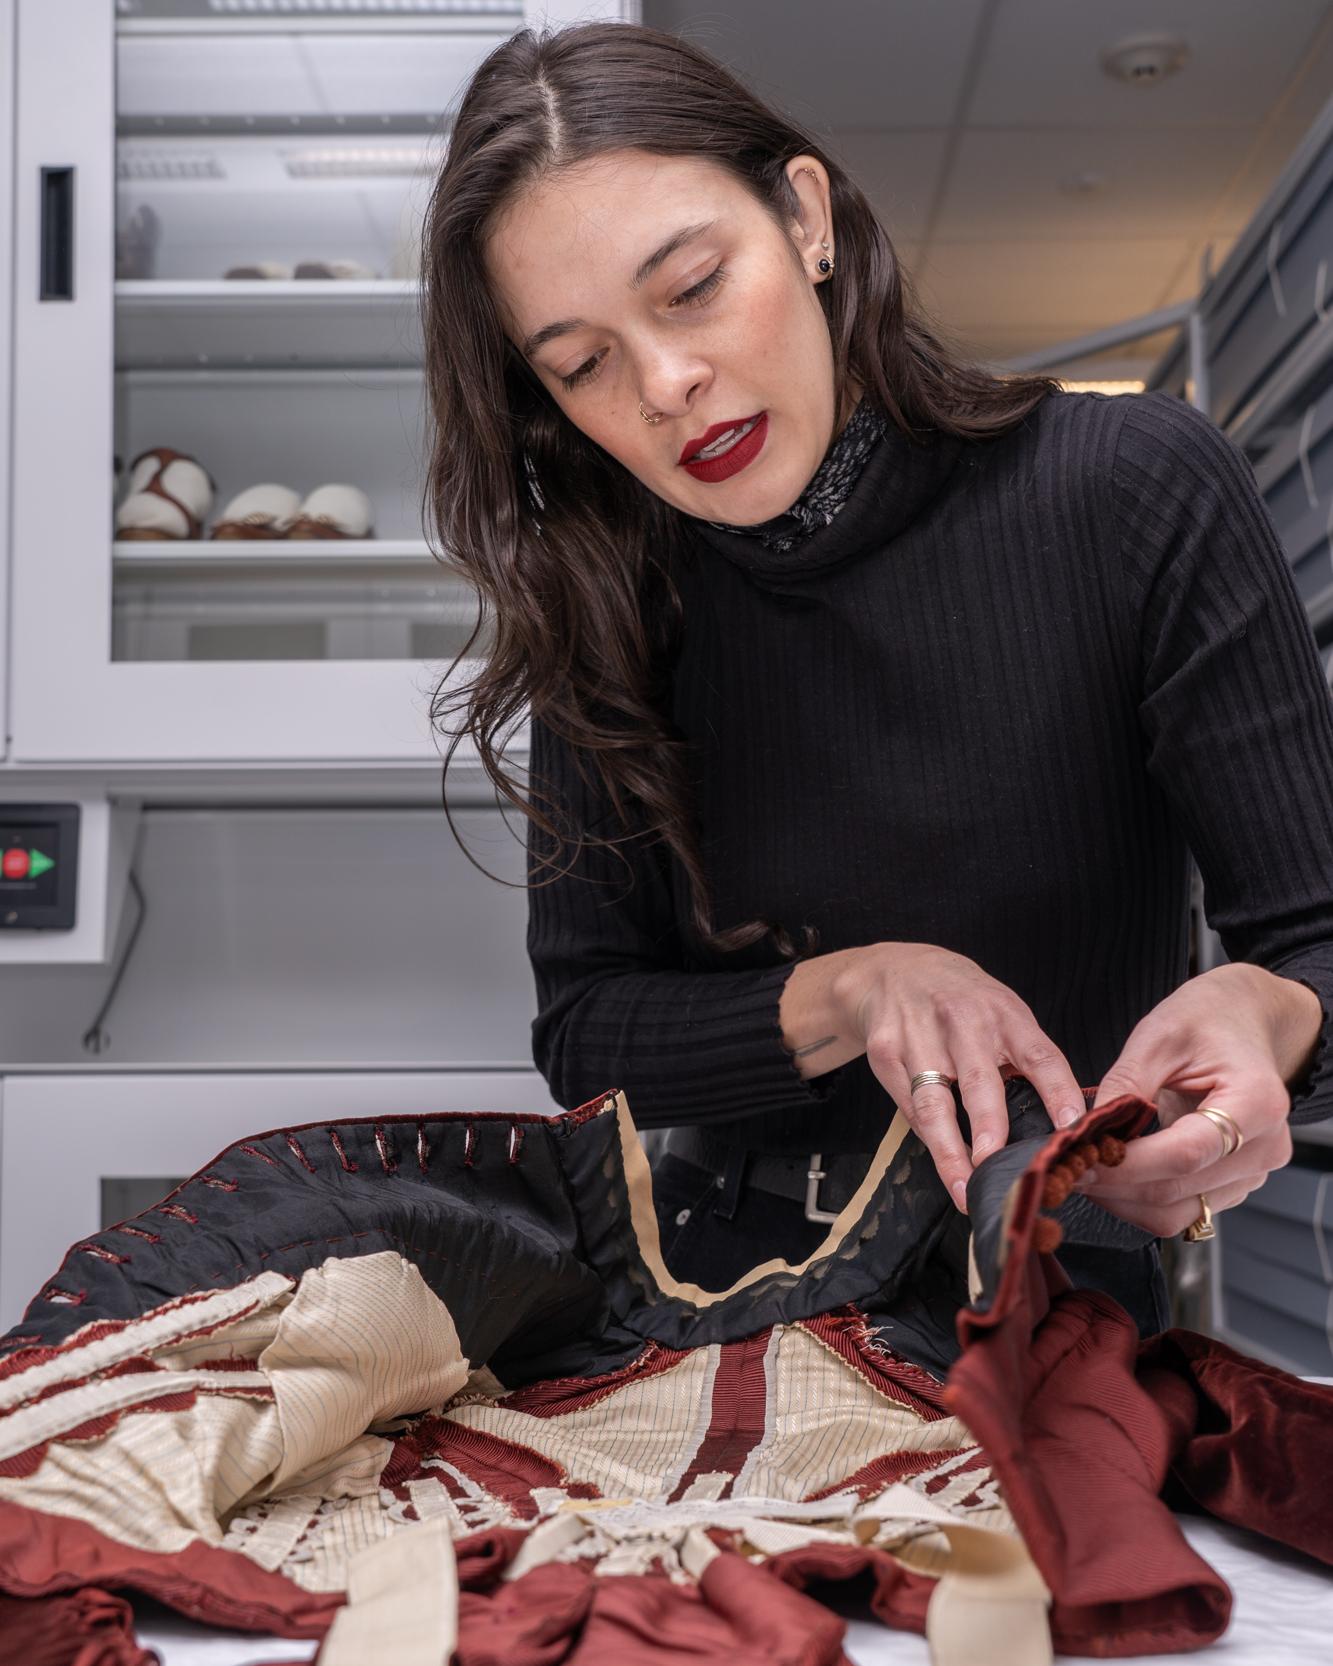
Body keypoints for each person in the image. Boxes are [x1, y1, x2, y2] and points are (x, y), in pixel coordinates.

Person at [418, 20, 1333, 1340]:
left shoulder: (1129, 489)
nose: (666, 382)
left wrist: (1262, 1005)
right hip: (707, 1296)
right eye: (581, 365)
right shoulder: (605, 596)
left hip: (1055, 1295)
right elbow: (586, 1027)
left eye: (688, 288)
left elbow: (1315, 936)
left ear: (803, 218)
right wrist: (850, 991)